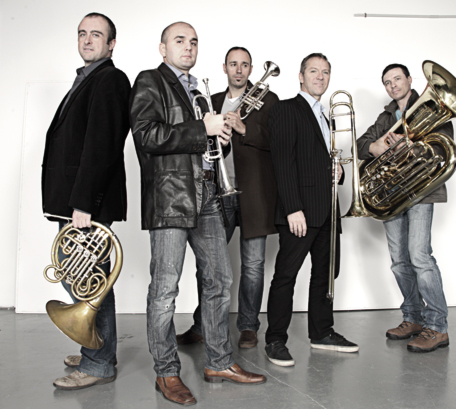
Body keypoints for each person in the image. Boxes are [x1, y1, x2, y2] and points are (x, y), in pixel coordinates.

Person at [129, 22, 266, 406]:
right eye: (179, 41)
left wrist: (219, 138)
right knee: (165, 290)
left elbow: (204, 145)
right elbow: (146, 135)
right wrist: (201, 127)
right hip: (171, 198)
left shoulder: (198, 89)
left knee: (220, 280)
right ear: (163, 48)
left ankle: (219, 362)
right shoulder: (150, 81)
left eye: (193, 42)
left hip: (207, 194)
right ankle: (166, 372)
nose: (188, 47)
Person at [41, 12, 130, 389]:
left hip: (85, 204)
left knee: (90, 283)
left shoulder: (110, 79)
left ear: (111, 44)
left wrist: (84, 203)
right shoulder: (88, 78)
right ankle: (98, 349)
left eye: (96, 34)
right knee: (85, 280)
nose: (88, 39)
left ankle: (99, 363)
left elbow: (102, 144)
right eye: (82, 33)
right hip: (77, 201)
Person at [177, 46, 279, 349]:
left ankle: (248, 326)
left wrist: (244, 127)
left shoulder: (269, 100)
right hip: (218, 194)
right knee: (208, 265)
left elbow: (279, 140)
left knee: (253, 265)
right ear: (224, 68)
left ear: (251, 69)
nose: (238, 69)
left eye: (244, 65)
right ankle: (202, 325)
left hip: (255, 195)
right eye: (233, 64)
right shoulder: (213, 101)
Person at [265, 53, 359, 367]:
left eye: (325, 72)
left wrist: (339, 172)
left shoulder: (327, 116)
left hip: (327, 210)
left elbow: (321, 161)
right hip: (300, 211)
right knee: (286, 276)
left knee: (326, 275)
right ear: (301, 76)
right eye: (314, 71)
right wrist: (293, 209)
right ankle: (275, 340)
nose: (320, 76)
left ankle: (322, 332)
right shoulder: (285, 109)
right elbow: (282, 162)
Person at [356, 63, 452, 353]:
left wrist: (409, 147)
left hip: (421, 191)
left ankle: (437, 327)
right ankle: (413, 318)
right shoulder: (386, 117)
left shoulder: (431, 109)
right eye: (387, 82)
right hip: (393, 194)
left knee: (419, 257)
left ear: (410, 79)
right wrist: (377, 148)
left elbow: (443, 147)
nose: (393, 85)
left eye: (397, 79)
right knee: (399, 261)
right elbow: (361, 144)